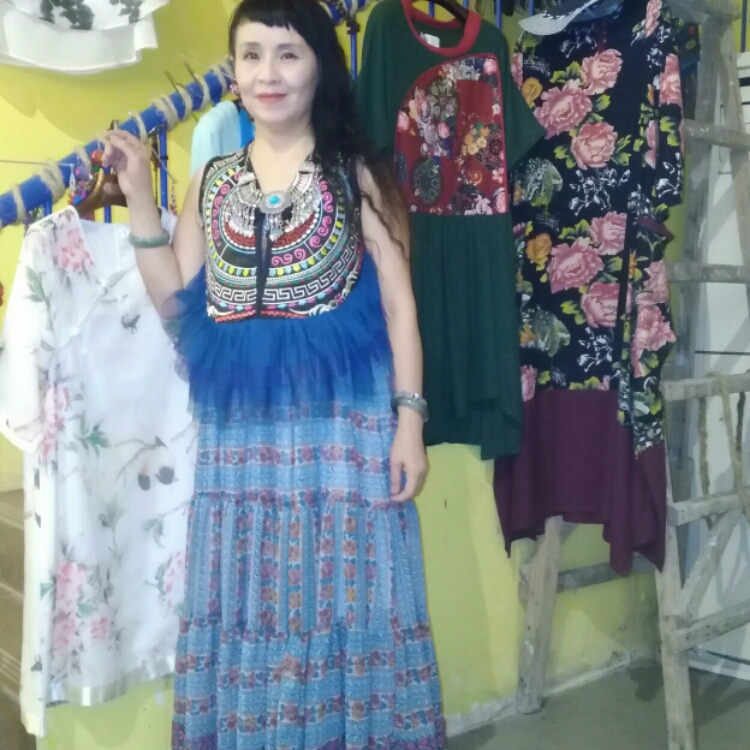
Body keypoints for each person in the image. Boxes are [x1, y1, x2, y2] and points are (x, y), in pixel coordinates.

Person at [102, 0, 446, 748]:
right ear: (233, 73)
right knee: (253, 600)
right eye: (251, 55)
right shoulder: (212, 179)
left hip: (344, 437)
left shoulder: (357, 175)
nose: (269, 73)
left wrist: (410, 423)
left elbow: (400, 307)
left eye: (288, 54)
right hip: (243, 448)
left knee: (353, 597)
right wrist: (139, 202)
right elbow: (177, 305)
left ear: (320, 67)